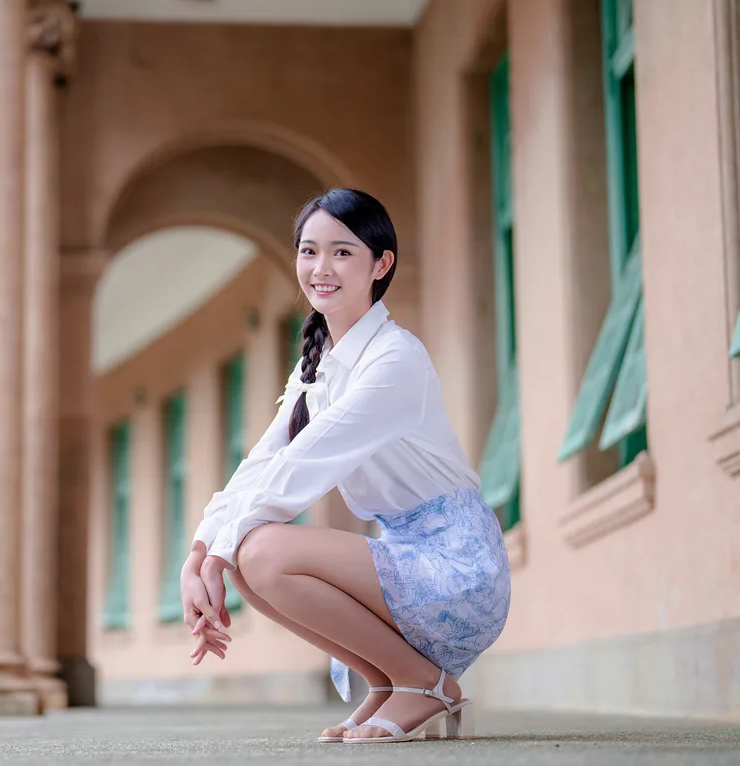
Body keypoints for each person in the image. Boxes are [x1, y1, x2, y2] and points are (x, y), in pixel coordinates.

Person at [178, 188, 511, 744]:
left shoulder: (395, 358)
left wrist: (219, 553)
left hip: (458, 566)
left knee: (258, 549)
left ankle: (424, 684)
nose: (321, 268)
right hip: (406, 555)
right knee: (244, 557)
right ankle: (388, 680)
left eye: (342, 252)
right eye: (309, 251)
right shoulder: (317, 368)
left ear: (381, 264)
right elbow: (264, 462)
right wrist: (199, 554)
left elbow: (307, 462)